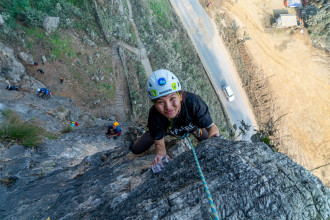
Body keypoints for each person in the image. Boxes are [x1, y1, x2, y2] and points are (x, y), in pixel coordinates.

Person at [129, 69, 220, 173]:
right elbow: (160, 146)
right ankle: (136, 140)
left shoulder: (194, 103)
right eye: (160, 102)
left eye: (172, 98)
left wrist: (213, 139)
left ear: (180, 96)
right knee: (136, 150)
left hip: (193, 128)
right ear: (154, 104)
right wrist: (160, 155)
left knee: (210, 143)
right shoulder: (154, 114)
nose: (168, 107)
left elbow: (212, 128)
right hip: (164, 129)